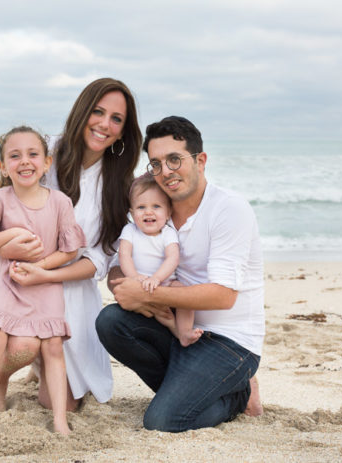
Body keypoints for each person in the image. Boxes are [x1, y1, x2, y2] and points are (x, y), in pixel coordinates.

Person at [0, 78, 142, 410]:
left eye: (116, 119)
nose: (104, 124)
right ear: (83, 111)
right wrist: (15, 252)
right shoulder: (42, 150)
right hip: (14, 274)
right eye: (98, 112)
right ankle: (0, 377)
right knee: (20, 347)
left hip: (69, 284)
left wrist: (47, 274)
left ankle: (40, 366)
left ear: (123, 132)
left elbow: (98, 259)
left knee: (61, 405)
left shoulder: (122, 184)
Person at [96, 116, 265, 432]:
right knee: (111, 322)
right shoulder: (157, 209)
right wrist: (123, 283)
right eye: (156, 164)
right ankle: (189, 389)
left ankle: (237, 393)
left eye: (175, 159)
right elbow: (122, 260)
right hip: (179, 331)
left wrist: (146, 293)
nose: (166, 171)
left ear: (200, 160)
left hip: (230, 343)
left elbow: (223, 296)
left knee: (162, 420)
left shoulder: (228, 209)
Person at [0, 126, 86, 434]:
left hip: (44, 284)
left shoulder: (60, 202)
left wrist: (41, 268)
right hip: (6, 281)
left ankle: (60, 420)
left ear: (46, 163)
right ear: (3, 167)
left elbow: (69, 250)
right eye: (14, 155)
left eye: (33, 154)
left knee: (53, 346)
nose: (25, 161)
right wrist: (10, 236)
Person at [117, 173, 203, 347]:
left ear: (168, 211)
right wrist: (134, 277)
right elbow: (124, 255)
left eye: (156, 206)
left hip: (165, 283)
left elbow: (173, 258)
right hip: (139, 284)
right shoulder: (130, 230)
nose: (148, 212)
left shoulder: (168, 233)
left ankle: (183, 331)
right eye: (141, 207)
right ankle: (170, 325)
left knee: (184, 293)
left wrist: (157, 278)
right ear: (132, 213)